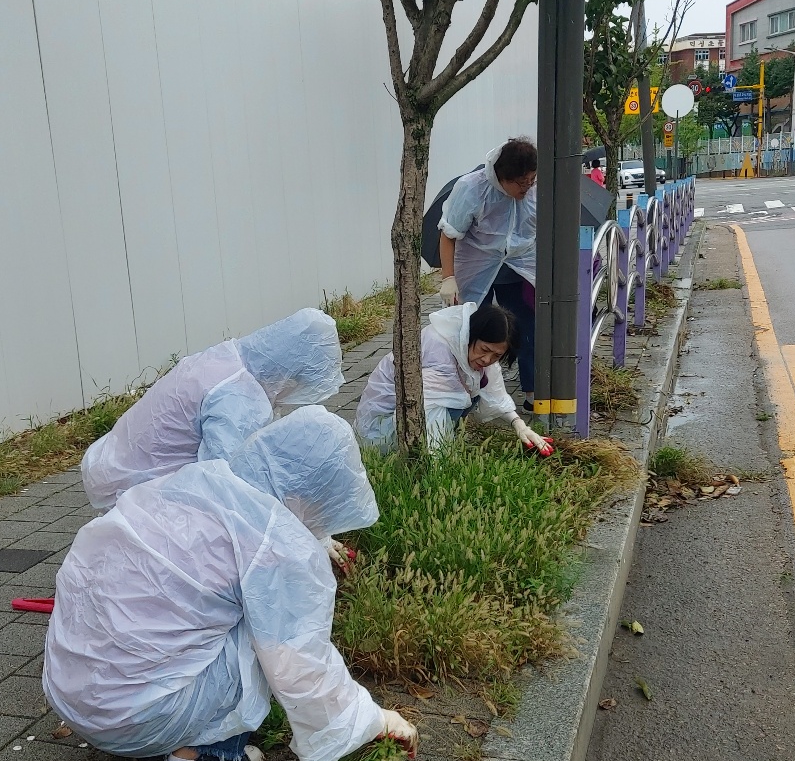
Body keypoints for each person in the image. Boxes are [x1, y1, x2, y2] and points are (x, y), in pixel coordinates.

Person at [43, 408, 416, 761]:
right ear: (315, 493)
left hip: (72, 692)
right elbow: (299, 665)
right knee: (263, 626)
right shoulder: (278, 547)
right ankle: (199, 760)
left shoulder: (190, 484)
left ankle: (165, 723)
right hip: (134, 718)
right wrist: (372, 719)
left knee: (222, 610)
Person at [80, 309, 344, 512]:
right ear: (290, 372)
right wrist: (306, 532)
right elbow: (228, 483)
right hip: (132, 485)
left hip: (115, 460)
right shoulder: (236, 397)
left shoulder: (229, 358)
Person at [355, 301, 552, 454]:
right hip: (382, 429)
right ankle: (413, 455)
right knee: (457, 397)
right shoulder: (439, 351)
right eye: (485, 350)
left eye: (497, 356)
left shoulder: (470, 348)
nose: (487, 359)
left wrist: (519, 425)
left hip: (412, 416)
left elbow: (495, 393)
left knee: (471, 390)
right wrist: (440, 465)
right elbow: (429, 410)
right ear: (471, 335)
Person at [438, 138, 538, 409]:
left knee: (528, 328)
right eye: (520, 182)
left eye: (531, 179)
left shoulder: (535, 190)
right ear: (501, 177)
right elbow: (449, 234)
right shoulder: (472, 188)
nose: (526, 187)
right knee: (469, 331)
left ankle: (532, 392)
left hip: (519, 269)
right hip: (475, 267)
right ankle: (468, 394)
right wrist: (449, 278)